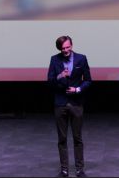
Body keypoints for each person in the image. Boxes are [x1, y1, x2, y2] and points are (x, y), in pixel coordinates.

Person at [47, 36, 92, 178]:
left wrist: (77, 89)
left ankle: (79, 169)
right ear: (59, 49)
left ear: (72, 45)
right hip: (60, 103)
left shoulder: (81, 59)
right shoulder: (55, 60)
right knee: (62, 139)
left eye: (68, 47)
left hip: (76, 103)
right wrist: (60, 75)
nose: (66, 50)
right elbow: (50, 81)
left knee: (77, 138)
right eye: (63, 48)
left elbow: (88, 80)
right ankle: (64, 169)